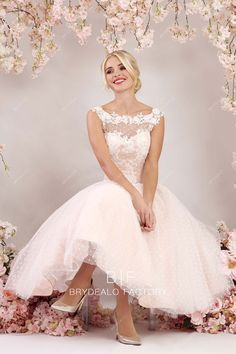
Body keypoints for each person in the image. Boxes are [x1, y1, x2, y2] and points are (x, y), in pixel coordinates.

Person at [4, 49, 234, 346]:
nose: (116, 74)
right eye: (109, 70)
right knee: (115, 204)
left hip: (145, 192)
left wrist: (147, 203)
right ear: (106, 79)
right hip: (112, 188)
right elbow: (106, 164)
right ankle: (121, 312)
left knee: (121, 214)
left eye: (121, 67)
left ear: (134, 72)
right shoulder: (96, 115)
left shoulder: (155, 116)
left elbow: (151, 164)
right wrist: (133, 198)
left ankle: (81, 283)